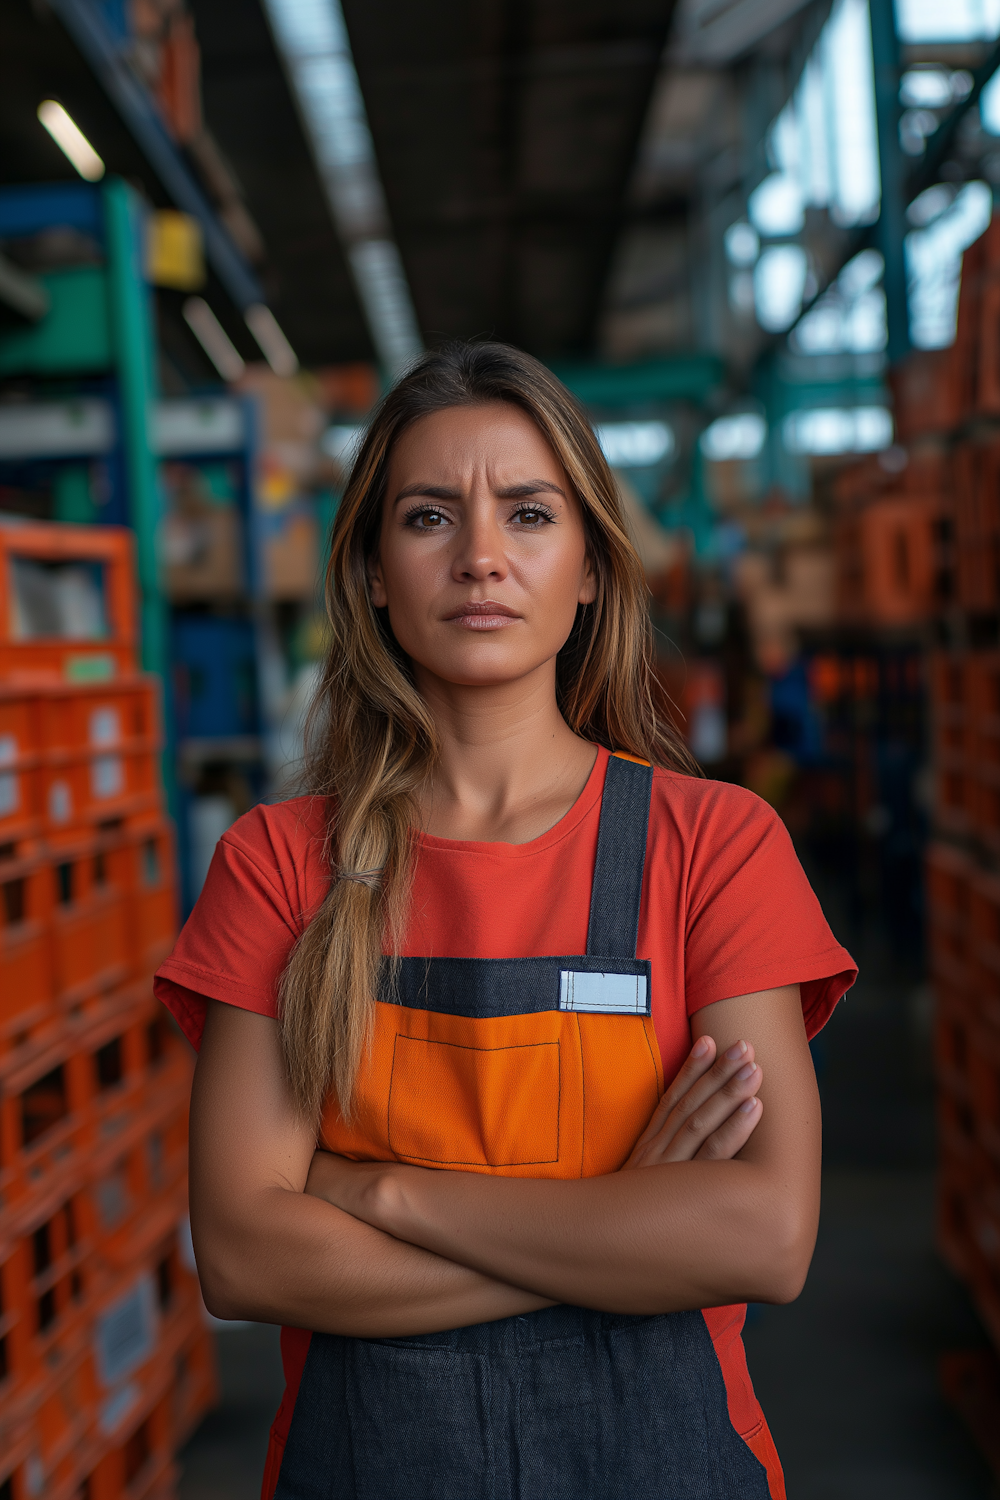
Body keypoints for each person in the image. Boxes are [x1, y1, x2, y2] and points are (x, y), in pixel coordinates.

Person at [155, 342, 856, 1500]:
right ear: (373, 571)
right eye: (429, 518)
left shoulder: (713, 847)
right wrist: (620, 1217)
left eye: (528, 514)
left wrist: (380, 1193)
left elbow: (764, 1236)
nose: (481, 558)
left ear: (588, 567)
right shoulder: (280, 867)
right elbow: (242, 1254)